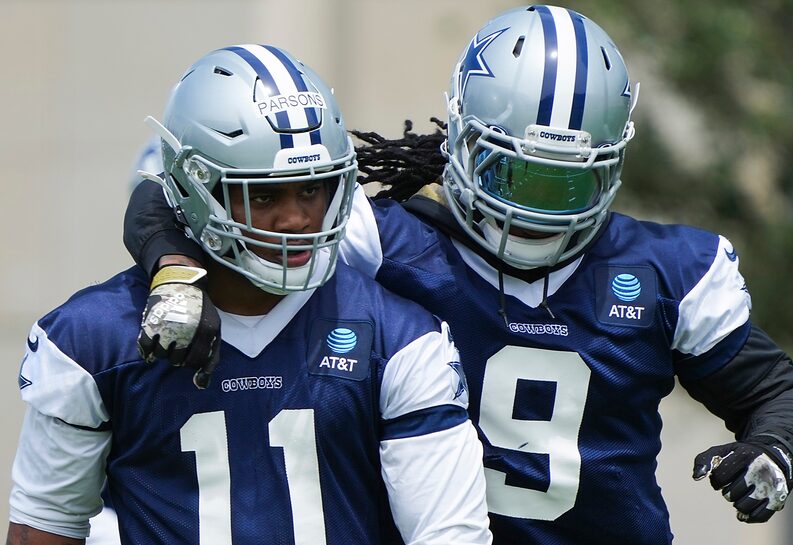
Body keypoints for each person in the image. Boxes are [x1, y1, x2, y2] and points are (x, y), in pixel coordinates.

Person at [123, 7, 793, 545]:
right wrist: (174, 268)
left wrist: (777, 450)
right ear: (458, 137)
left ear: (610, 170)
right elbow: (169, 175)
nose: (535, 210)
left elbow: (779, 393)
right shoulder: (387, 240)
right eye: (513, 172)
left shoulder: (665, 271)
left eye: (565, 185)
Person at [8, 44, 492, 545]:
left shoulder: (400, 340)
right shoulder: (94, 340)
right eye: (262, 195)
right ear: (195, 189)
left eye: (311, 188)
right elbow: (41, 530)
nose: (297, 220)